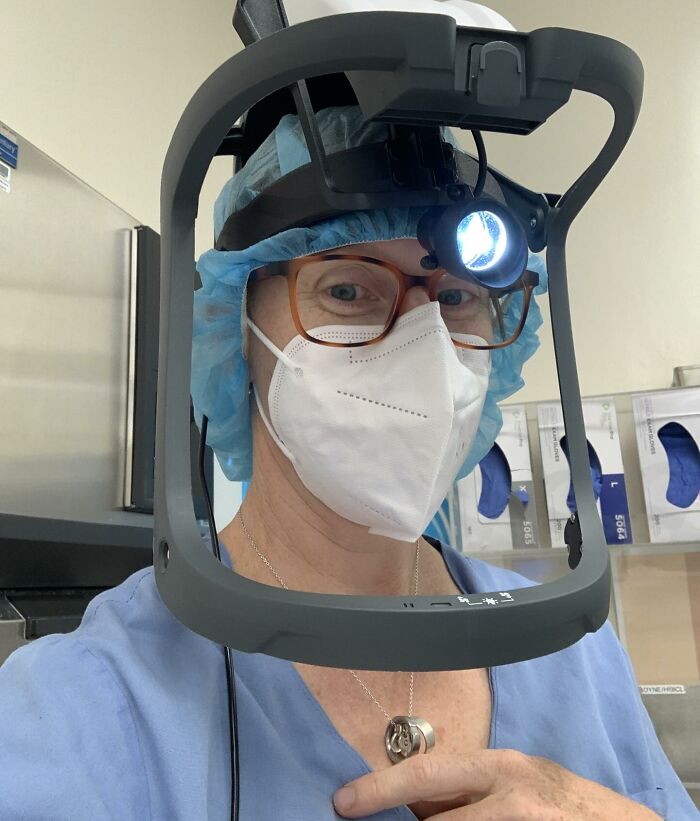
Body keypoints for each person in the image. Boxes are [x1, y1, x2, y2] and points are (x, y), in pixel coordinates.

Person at [0, 103, 696, 821]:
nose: (425, 348)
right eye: (347, 290)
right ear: (236, 327)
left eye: (458, 295)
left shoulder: (573, 653)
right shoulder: (88, 705)